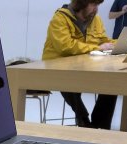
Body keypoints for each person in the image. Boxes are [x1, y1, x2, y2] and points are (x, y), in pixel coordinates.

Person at [42, 0, 117, 129]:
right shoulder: (59, 18)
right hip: (56, 67)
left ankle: (100, 126)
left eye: (97, 5)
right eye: (93, 4)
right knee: (66, 80)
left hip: (84, 67)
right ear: (82, 4)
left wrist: (120, 44)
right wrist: (97, 48)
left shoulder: (96, 20)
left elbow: (104, 41)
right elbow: (65, 46)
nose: (96, 9)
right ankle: (84, 120)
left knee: (113, 83)